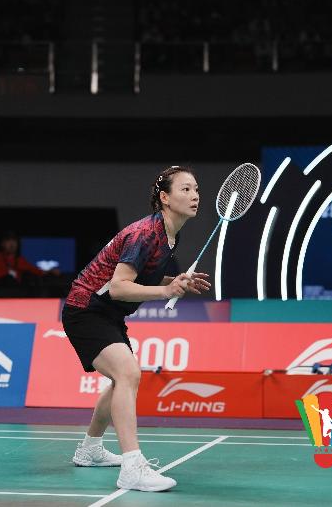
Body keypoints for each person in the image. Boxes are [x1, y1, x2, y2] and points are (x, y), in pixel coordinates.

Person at [62, 166, 210, 492]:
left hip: (108, 313)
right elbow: (118, 287)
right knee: (128, 373)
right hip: (86, 309)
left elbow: (143, 276)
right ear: (165, 197)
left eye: (196, 189)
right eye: (185, 189)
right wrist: (166, 291)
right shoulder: (146, 233)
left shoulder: (170, 235)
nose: (195, 196)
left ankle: (90, 450)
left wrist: (175, 281)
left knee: (122, 378)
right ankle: (132, 468)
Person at [0, 231, 57, 297]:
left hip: (15, 292)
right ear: (3, 244)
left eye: (14, 241)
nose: (11, 244)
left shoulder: (20, 260)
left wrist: (51, 270)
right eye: (8, 241)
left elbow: (37, 271)